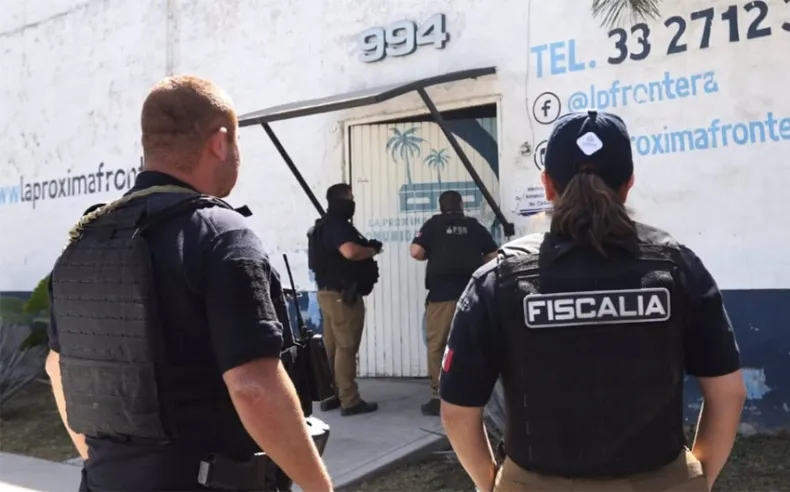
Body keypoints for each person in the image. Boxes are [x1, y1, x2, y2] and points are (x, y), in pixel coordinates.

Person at [44, 75, 333, 492]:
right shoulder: (221, 235)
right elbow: (254, 387)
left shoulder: (86, 241)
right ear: (220, 143)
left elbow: (57, 370)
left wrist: (109, 468)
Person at [439, 110, 747, 492]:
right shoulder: (679, 268)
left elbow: (457, 413)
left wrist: (490, 485)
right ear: (628, 184)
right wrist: (696, 480)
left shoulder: (498, 280)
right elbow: (729, 394)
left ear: (547, 184)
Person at [409, 190, 498, 416]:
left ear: (441, 207)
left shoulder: (434, 224)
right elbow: (494, 255)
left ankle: (439, 396)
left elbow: (416, 252)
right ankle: (471, 393)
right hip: (472, 295)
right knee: (473, 343)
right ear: (461, 206)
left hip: (442, 296)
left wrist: (435, 252)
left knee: (437, 345)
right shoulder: (473, 226)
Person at [307, 183, 382, 416]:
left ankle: (333, 395)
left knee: (332, 347)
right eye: (350, 198)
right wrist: (371, 250)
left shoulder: (322, 226)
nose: (353, 203)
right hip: (343, 295)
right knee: (346, 347)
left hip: (327, 294)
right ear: (341, 201)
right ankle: (349, 400)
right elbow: (350, 251)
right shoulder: (337, 226)